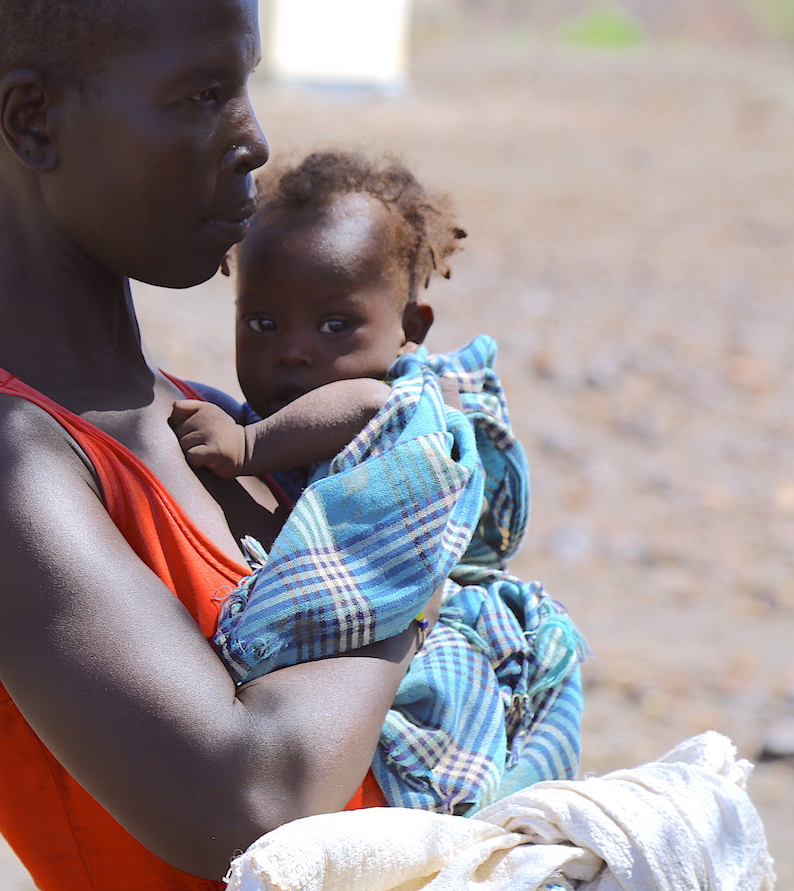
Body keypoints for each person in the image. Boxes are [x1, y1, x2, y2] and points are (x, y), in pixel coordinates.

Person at [0, 0, 440, 889]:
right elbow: (253, 805)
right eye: (198, 95)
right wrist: (413, 544)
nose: (253, 138)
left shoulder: (219, 421)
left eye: (244, 84)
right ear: (35, 123)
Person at [171, 150, 587, 815]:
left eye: (336, 324)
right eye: (262, 322)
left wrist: (248, 445)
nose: (294, 349)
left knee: (447, 757)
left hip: (434, 623)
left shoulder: (407, 408)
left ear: (410, 330)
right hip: (359, 671)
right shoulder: (275, 418)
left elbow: (367, 403)